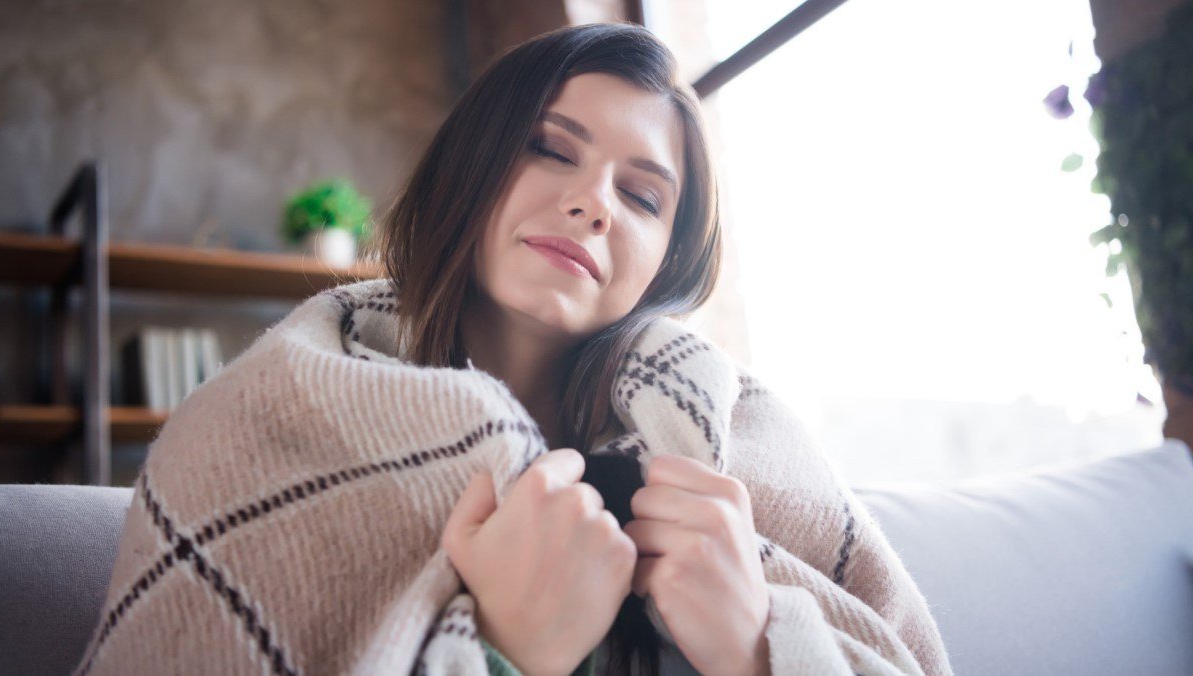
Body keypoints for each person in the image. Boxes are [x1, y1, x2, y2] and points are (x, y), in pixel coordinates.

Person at [78, 23, 952, 676]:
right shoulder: (255, 420)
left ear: (661, 264)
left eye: (643, 197)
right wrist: (502, 651)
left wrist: (760, 647)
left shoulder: (746, 444)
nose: (596, 204)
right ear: (470, 165)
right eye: (548, 149)